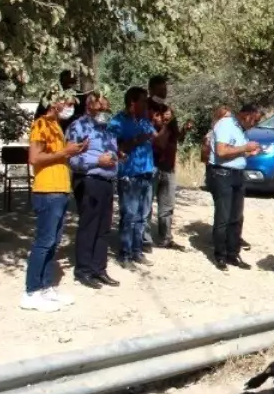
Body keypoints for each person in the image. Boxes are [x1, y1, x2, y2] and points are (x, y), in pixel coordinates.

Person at [22, 92, 85, 312]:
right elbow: (34, 158)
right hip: (46, 191)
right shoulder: (41, 124)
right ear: (53, 102)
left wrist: (73, 151)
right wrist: (63, 152)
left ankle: (46, 287)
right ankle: (31, 291)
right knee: (44, 242)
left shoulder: (57, 126)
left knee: (53, 242)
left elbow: (58, 155)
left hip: (60, 190)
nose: (70, 106)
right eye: (66, 102)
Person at [67, 92, 120, 290]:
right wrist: (98, 161)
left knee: (104, 228)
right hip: (89, 180)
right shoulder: (78, 126)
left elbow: (111, 151)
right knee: (89, 225)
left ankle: (99, 269)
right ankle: (83, 270)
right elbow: (72, 159)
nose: (105, 111)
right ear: (90, 105)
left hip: (107, 181)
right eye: (101, 107)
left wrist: (117, 157)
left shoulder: (107, 128)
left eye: (107, 108)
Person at [207, 103, 262, 270]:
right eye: (254, 120)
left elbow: (235, 150)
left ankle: (233, 253)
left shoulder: (240, 129)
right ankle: (220, 255)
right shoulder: (226, 124)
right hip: (223, 174)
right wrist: (245, 147)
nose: (254, 124)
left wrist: (248, 152)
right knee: (223, 216)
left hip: (237, 174)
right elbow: (221, 151)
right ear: (247, 114)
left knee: (236, 217)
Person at [109, 87, 156, 270]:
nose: (146, 104)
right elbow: (114, 148)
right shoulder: (117, 122)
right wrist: (136, 139)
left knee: (142, 217)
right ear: (132, 103)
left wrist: (169, 124)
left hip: (146, 173)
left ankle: (137, 251)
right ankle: (125, 254)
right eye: (143, 101)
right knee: (129, 215)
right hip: (129, 175)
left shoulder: (145, 121)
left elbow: (156, 139)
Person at [145, 75, 193, 252]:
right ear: (151, 90)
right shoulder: (146, 110)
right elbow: (155, 140)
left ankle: (165, 238)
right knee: (147, 203)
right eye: (159, 90)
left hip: (169, 164)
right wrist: (164, 123)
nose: (163, 93)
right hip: (151, 163)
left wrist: (184, 130)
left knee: (167, 204)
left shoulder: (168, 110)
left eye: (165, 90)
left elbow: (175, 137)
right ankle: (144, 240)